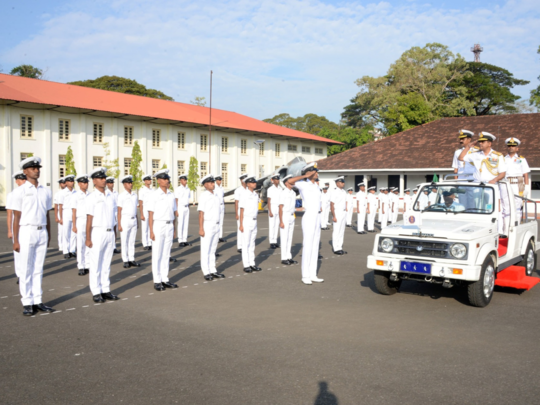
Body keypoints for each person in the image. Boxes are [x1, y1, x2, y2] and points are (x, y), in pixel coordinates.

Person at [11, 157, 55, 316]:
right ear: (25, 171)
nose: (36, 170)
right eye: (32, 168)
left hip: (41, 230)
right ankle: (27, 302)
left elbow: (47, 214)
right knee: (26, 269)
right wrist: (16, 240)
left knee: (38, 268)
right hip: (26, 231)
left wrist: (48, 234)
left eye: (37, 168)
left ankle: (38, 299)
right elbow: (17, 217)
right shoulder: (20, 191)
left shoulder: (46, 191)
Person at [459, 131, 508, 235]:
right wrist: (468, 147)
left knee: (492, 209)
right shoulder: (476, 155)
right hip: (477, 186)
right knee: (476, 209)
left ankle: (497, 232)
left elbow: (502, 173)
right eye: (480, 142)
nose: (480, 143)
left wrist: (494, 180)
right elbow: (461, 158)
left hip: (491, 187)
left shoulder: (497, 156)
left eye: (483, 142)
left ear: (489, 143)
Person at [85, 167, 120, 303]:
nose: (104, 180)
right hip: (97, 232)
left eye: (104, 178)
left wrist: (115, 234)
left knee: (106, 263)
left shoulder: (111, 196)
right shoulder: (92, 197)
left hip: (110, 232)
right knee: (95, 263)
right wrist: (88, 238)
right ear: (94, 180)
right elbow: (89, 219)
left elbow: (114, 216)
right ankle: (96, 291)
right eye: (101, 178)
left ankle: (105, 289)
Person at [287, 162, 324, 285]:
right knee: (308, 245)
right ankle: (305, 275)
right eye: (315, 171)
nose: (317, 173)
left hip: (318, 216)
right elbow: (288, 182)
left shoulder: (316, 186)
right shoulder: (303, 184)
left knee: (315, 246)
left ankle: (313, 274)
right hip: (309, 216)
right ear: (310, 172)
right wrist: (305, 176)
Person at [147, 169, 178, 291]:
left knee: (166, 253)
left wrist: (174, 228)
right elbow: (150, 214)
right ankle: (157, 280)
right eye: (164, 179)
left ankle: (165, 278)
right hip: (158, 225)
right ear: (159, 181)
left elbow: (174, 213)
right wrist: (151, 230)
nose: (167, 181)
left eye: (167, 179)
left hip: (169, 225)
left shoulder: (171, 195)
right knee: (157, 254)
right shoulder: (154, 195)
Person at [198, 174, 226, 281]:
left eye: (213, 182)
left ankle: (213, 269)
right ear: (205, 184)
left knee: (213, 249)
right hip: (208, 224)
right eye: (210, 183)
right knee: (206, 249)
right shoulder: (204, 196)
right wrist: (201, 228)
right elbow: (201, 213)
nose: (213, 184)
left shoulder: (216, 195)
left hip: (216, 224)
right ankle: (206, 271)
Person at [6, 171, 27, 283]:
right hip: (17, 225)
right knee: (18, 251)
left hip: (28, 224)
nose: (24, 181)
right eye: (21, 179)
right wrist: (10, 230)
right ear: (17, 181)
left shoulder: (31, 191)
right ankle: (20, 274)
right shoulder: (13, 194)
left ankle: (27, 272)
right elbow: (10, 213)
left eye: (24, 179)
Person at [239, 175, 262, 273]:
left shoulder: (255, 195)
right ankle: (246, 264)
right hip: (246, 220)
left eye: (255, 182)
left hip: (254, 220)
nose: (255, 184)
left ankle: (252, 263)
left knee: (252, 243)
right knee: (246, 243)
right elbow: (241, 210)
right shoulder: (244, 194)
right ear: (248, 184)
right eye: (253, 182)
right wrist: (241, 224)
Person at [504, 137, 531, 221]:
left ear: (517, 148)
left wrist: (526, 186)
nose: (511, 147)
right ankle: (507, 226)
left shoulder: (521, 159)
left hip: (518, 183)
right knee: (506, 205)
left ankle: (517, 224)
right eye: (509, 146)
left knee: (518, 206)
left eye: (513, 146)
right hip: (507, 182)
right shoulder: (503, 159)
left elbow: (525, 174)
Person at [118, 175, 140, 269]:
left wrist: (137, 220)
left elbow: (135, 209)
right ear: (124, 184)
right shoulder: (122, 196)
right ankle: (125, 260)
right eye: (128, 183)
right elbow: (119, 210)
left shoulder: (134, 195)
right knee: (124, 241)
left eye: (131, 183)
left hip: (133, 219)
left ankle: (131, 258)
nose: (130, 184)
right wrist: (119, 223)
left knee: (132, 241)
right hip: (125, 219)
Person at [72, 174, 90, 276]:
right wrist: (74, 225)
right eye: (83, 182)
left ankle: (87, 264)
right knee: (80, 244)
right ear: (79, 184)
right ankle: (81, 265)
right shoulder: (75, 195)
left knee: (88, 243)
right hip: (80, 220)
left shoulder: (90, 195)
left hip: (88, 220)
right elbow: (74, 211)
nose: (86, 184)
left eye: (87, 182)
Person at [278, 174, 298, 265]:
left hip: (291, 216)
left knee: (290, 237)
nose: (293, 182)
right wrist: (281, 221)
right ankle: (284, 257)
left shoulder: (293, 193)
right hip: (285, 216)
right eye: (290, 181)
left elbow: (292, 207)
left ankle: (288, 256)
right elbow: (280, 207)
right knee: (284, 237)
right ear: (286, 183)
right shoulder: (283, 193)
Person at [58, 174, 77, 259]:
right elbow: (60, 206)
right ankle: (66, 251)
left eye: (72, 181)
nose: (71, 182)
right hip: (66, 212)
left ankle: (72, 250)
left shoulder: (76, 192)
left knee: (74, 233)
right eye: (70, 181)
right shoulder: (62, 193)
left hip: (74, 213)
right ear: (66, 182)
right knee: (65, 233)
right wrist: (61, 217)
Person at [330, 177, 347, 255]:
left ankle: (340, 247)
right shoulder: (334, 192)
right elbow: (332, 204)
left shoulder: (344, 191)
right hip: (337, 212)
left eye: (343, 182)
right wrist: (334, 216)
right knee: (336, 231)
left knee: (341, 231)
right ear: (337, 183)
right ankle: (336, 248)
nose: (343, 183)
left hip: (343, 212)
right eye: (342, 182)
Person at [175, 173, 191, 247]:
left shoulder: (188, 189)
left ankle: (185, 239)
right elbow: (176, 200)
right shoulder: (178, 189)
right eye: (184, 180)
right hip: (180, 207)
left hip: (186, 207)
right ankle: (180, 240)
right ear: (181, 180)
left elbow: (188, 198)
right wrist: (176, 210)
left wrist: (188, 207)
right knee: (180, 224)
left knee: (186, 224)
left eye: (186, 180)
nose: (185, 181)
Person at [106, 177, 121, 254]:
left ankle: (114, 246)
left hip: (116, 212)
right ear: (107, 184)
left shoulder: (116, 193)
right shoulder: (106, 193)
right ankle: (109, 246)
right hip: (109, 213)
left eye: (112, 183)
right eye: (109, 183)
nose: (111, 184)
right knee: (109, 230)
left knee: (115, 230)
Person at [139, 174, 153, 250]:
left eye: (150, 179)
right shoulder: (142, 190)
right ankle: (145, 243)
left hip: (151, 210)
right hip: (145, 209)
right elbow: (140, 202)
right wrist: (141, 214)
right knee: (145, 227)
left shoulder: (152, 190)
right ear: (144, 181)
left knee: (150, 226)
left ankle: (150, 242)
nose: (149, 181)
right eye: (148, 180)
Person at [267, 174, 281, 249]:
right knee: (272, 225)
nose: (277, 181)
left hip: (278, 207)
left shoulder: (280, 189)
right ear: (273, 180)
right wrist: (270, 211)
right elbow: (269, 200)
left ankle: (275, 241)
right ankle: (271, 241)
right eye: (276, 179)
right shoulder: (270, 189)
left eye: (278, 179)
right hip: (272, 206)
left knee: (276, 225)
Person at [234, 174, 248, 253]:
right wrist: (236, 213)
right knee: (240, 228)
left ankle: (245, 244)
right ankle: (240, 246)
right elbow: (236, 202)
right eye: (244, 179)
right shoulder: (238, 190)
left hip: (247, 211)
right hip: (240, 211)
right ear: (241, 180)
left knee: (246, 228)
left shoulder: (248, 190)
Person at [54, 177, 66, 252]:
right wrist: (56, 216)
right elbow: (56, 206)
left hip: (68, 212)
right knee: (61, 231)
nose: (63, 184)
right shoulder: (58, 194)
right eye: (62, 183)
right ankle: (61, 245)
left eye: (64, 183)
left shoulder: (70, 192)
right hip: (60, 213)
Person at [214, 175, 226, 243]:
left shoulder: (221, 188)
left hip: (222, 205)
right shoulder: (214, 188)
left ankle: (220, 236)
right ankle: (216, 236)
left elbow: (222, 196)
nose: (220, 181)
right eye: (219, 180)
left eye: (220, 180)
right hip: (217, 206)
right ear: (216, 180)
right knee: (217, 221)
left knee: (221, 222)